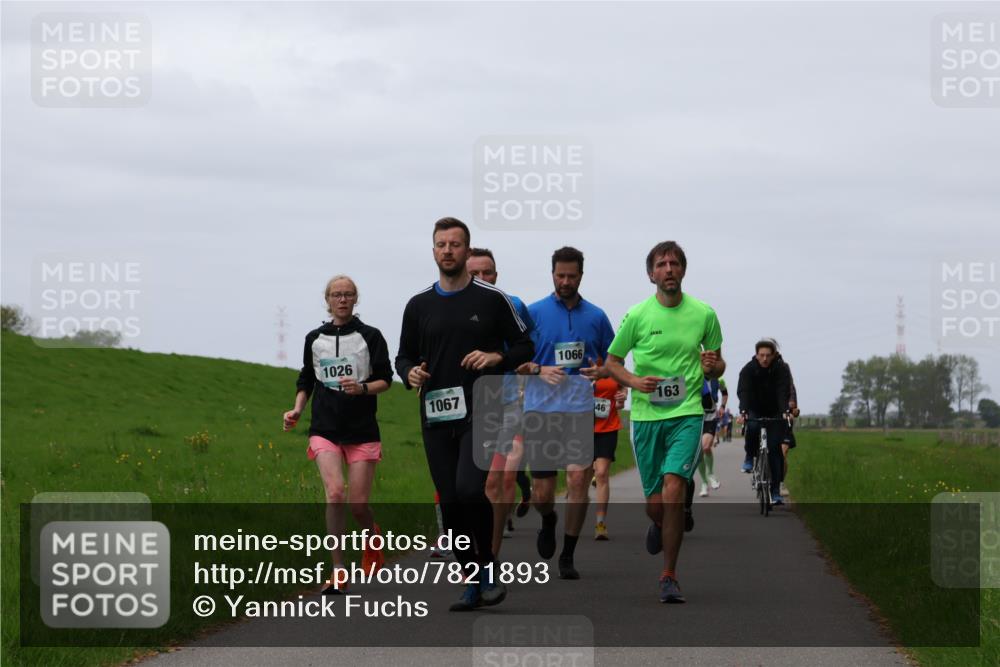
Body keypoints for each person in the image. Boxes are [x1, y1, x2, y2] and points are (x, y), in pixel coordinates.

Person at [395, 217, 534, 611]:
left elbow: (526, 346)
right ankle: (477, 578)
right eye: (442, 244)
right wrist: (409, 372)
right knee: (451, 501)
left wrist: (497, 356)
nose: (448, 250)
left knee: (472, 490)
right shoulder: (418, 305)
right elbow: (402, 355)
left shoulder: (492, 299)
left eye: (456, 244)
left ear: (465, 250)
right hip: (437, 413)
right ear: (434, 251)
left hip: (484, 407)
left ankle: (485, 574)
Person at [604, 240, 725, 603]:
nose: (669, 268)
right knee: (655, 505)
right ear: (651, 273)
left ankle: (669, 575)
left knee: (674, 488)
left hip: (686, 412)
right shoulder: (638, 315)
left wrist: (712, 367)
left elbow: (718, 364)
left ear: (683, 270)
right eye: (662, 264)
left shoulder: (704, 314)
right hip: (645, 416)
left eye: (674, 263)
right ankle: (660, 522)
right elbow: (612, 362)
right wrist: (634, 382)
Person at [283, 275, 393, 594]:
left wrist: (362, 388)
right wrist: (297, 410)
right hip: (325, 428)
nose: (342, 299)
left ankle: (372, 534)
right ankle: (338, 570)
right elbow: (307, 379)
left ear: (356, 299)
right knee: (334, 493)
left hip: (362, 430)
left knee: (358, 505)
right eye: (336, 294)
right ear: (327, 300)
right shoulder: (314, 338)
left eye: (347, 294)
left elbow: (386, 379)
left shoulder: (370, 336)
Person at [519, 246, 616, 581]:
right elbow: (515, 362)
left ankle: (568, 554)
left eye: (571, 276)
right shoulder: (533, 314)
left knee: (577, 479)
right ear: (552, 275)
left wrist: (602, 372)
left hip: (578, 411)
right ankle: (547, 519)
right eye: (560, 275)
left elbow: (612, 363)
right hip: (540, 411)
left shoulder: (597, 317)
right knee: (542, 494)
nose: (565, 281)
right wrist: (538, 368)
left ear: (581, 276)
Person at [466, 247, 534, 556]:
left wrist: (528, 370)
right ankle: (467, 549)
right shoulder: (447, 305)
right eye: (474, 273)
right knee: (466, 487)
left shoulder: (514, 304)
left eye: (487, 272)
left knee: (497, 480)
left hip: (506, 401)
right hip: (464, 405)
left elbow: (529, 343)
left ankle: (488, 559)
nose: (482, 278)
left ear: (497, 274)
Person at [736, 337, 793, 506]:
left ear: (774, 355)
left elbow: (783, 391)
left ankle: (775, 492)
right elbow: (744, 391)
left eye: (768, 355)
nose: (765, 359)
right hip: (754, 407)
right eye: (761, 355)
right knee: (752, 427)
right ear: (756, 355)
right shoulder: (748, 369)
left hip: (775, 410)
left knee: (776, 451)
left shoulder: (781, 369)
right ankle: (749, 456)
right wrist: (744, 411)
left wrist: (784, 411)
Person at [591, 367, 626, 540]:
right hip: (580, 427)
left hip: (608, 426)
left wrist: (622, 396)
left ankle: (600, 523)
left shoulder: (612, 363)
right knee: (578, 478)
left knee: (602, 473)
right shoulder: (579, 359)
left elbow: (623, 385)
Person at [696, 377, 727, 497]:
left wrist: (723, 406)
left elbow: (724, 392)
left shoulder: (719, 379)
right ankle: (704, 483)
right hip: (696, 416)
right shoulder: (694, 375)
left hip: (711, 416)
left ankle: (711, 474)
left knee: (705, 447)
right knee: (698, 452)